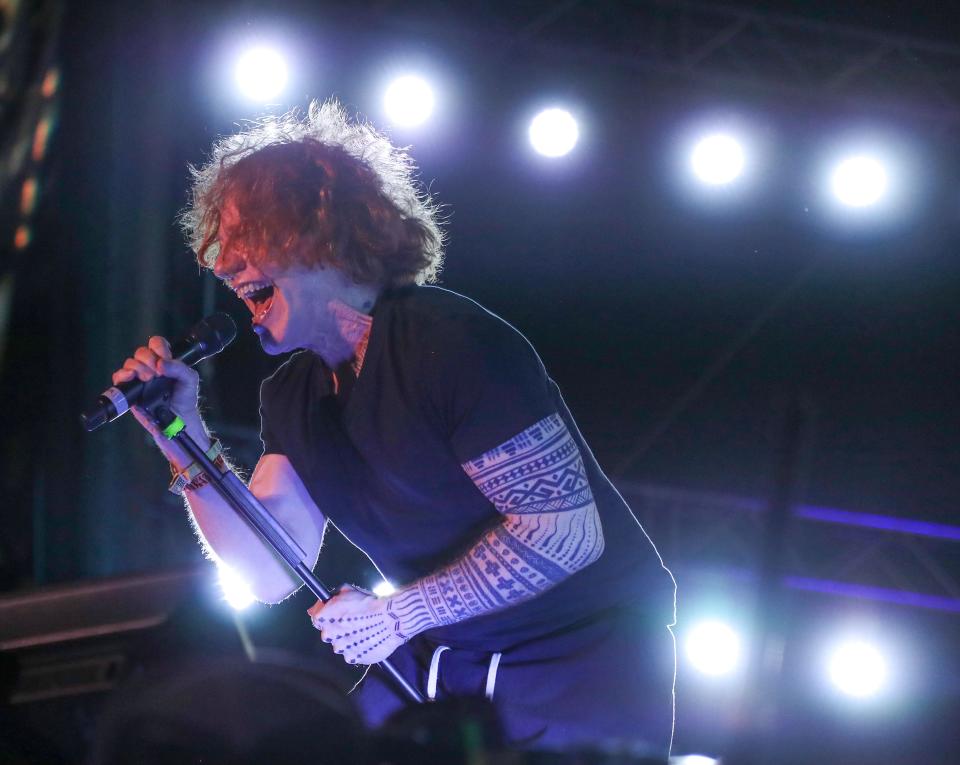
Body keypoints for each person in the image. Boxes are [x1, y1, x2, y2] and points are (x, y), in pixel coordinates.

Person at [113, 100, 676, 755]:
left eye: (244, 236)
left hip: (576, 658)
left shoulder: (445, 339)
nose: (223, 263)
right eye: (218, 246)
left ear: (320, 229)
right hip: (444, 660)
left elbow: (565, 531)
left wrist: (397, 614)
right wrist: (178, 433)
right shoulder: (294, 395)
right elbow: (268, 572)